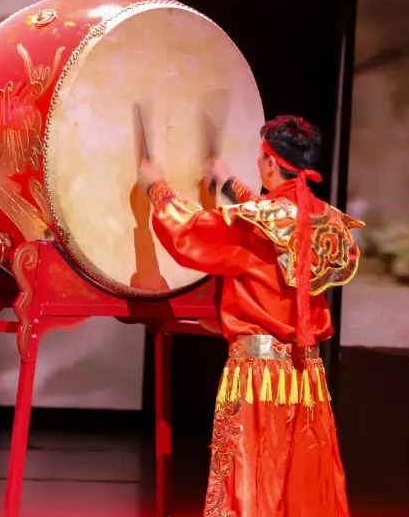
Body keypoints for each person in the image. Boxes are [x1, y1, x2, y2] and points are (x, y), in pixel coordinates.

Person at [138, 115, 363, 517]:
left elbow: (191, 232)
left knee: (251, 479)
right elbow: (274, 218)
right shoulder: (325, 220)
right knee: (302, 484)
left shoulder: (255, 224)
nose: (259, 163)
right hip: (306, 376)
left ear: (272, 163)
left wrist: (158, 188)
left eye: (262, 157)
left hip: (259, 376)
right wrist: (230, 184)